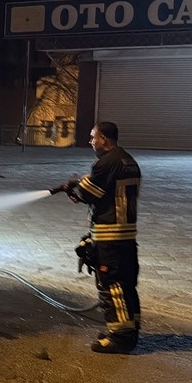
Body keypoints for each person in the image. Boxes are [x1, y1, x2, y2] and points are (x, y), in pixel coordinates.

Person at [57, 121, 142, 354]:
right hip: (126, 236)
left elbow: (88, 194)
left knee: (111, 286)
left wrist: (77, 184)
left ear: (104, 139)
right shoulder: (127, 160)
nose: (91, 141)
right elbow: (108, 189)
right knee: (126, 286)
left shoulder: (105, 163)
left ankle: (121, 338)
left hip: (110, 237)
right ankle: (127, 330)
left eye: (93, 137)